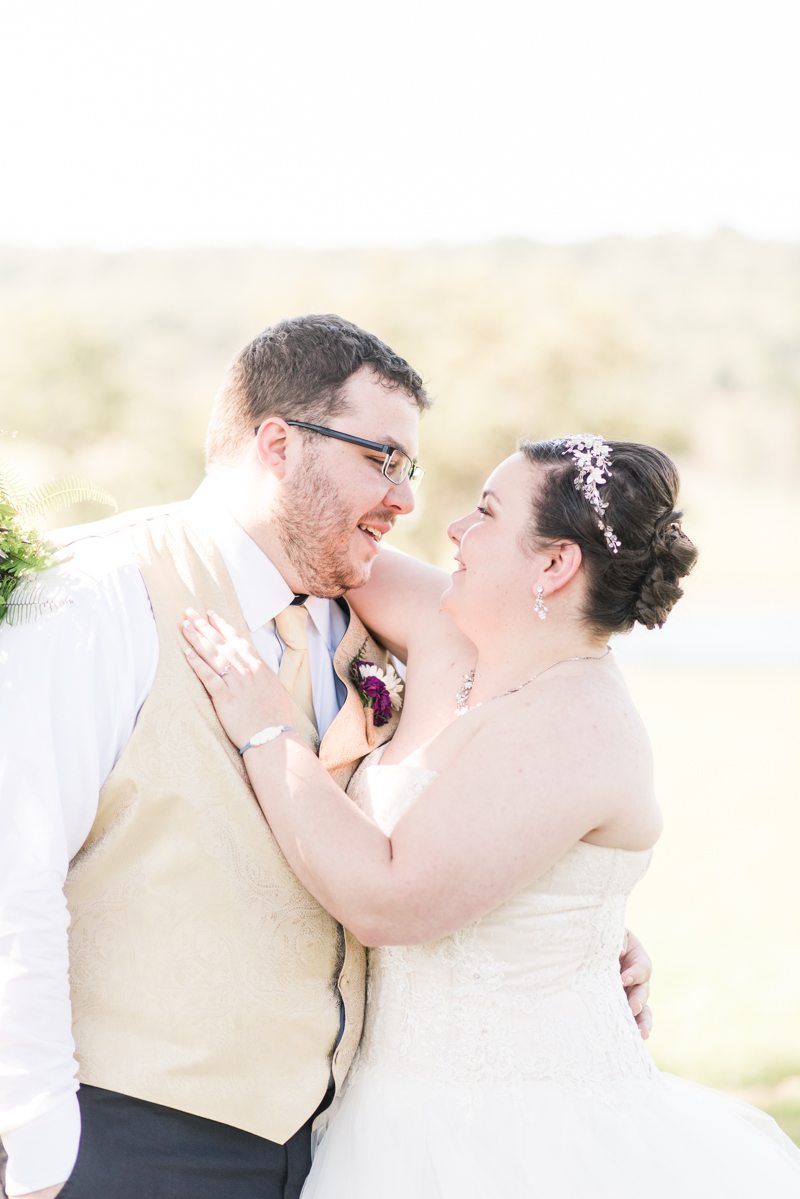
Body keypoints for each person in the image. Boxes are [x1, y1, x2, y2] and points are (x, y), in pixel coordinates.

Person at [0, 320, 652, 1199]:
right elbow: (14, 877)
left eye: (409, 468)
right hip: (127, 1140)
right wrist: (36, 1146)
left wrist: (562, 925)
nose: (410, 502)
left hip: (332, 1147)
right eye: (383, 459)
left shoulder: (371, 616)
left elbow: (468, 820)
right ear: (279, 444)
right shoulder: (97, 598)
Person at [182, 434, 800, 1197]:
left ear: (553, 563)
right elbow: (317, 549)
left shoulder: (579, 720)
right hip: (387, 1111)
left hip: (524, 1136)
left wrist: (266, 728)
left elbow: (388, 898)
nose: (453, 529)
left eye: (485, 513)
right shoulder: (451, 632)